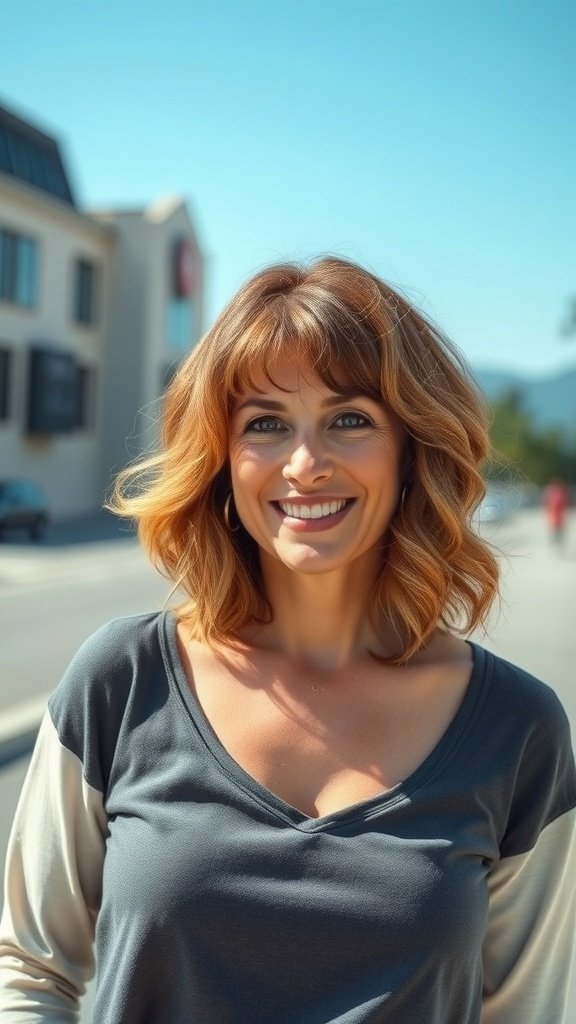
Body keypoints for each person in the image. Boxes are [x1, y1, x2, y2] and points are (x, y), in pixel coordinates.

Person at [0, 256, 575, 1024]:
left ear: (411, 451)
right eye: (266, 423)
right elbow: (30, 971)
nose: (306, 464)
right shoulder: (122, 679)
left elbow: (526, 1012)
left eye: (350, 419)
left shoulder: (518, 728)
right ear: (222, 460)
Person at [543, 477, 571, 548]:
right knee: (554, 529)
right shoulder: (551, 492)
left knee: (559, 529)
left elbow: (566, 502)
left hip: (559, 515)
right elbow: (546, 502)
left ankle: (559, 543)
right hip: (553, 514)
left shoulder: (562, 492)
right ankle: (555, 543)